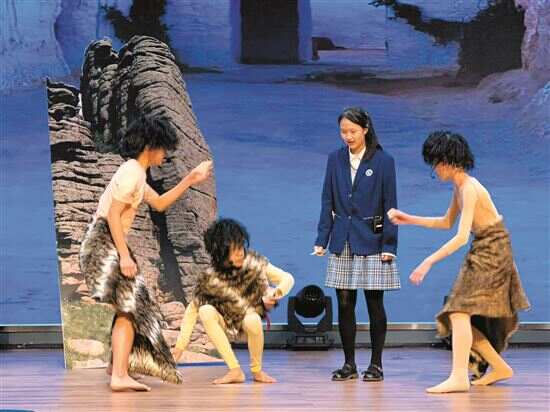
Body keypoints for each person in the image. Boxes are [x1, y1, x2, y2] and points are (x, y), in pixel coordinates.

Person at [388, 130, 530, 393]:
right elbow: (446, 222)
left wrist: (428, 261)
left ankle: (459, 377)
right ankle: (498, 367)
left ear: (448, 162)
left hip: (493, 250)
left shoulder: (469, 188)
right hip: (485, 248)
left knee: (457, 312)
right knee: (458, 314)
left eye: (435, 164)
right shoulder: (459, 187)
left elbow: (461, 237)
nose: (435, 169)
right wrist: (409, 219)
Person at [79, 115, 212, 392]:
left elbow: (160, 203)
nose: (165, 154)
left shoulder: (136, 172)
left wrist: (190, 179)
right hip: (104, 243)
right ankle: (119, 375)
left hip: (105, 243)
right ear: (151, 145)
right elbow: (113, 215)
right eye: (163, 148)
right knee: (130, 308)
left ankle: (117, 367)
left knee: (131, 307)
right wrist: (125, 256)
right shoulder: (132, 173)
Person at [313, 107, 400, 382]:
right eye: (343, 131)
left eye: (352, 131)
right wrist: (322, 239)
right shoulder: (335, 159)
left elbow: (390, 205)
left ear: (365, 129)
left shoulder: (384, 161)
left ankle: (376, 365)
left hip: (373, 241)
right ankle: (349, 364)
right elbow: (327, 201)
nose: (348, 136)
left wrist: (389, 245)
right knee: (344, 303)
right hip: (343, 240)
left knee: (374, 303)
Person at [173, 218, 294, 384]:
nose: (240, 253)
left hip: (248, 321)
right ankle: (235, 370)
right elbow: (191, 310)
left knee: (252, 319)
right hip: (226, 325)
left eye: (241, 246)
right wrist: (180, 347)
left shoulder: (255, 263)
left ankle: (257, 371)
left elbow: (287, 278)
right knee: (205, 310)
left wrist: (276, 292)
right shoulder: (210, 277)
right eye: (234, 249)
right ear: (221, 252)